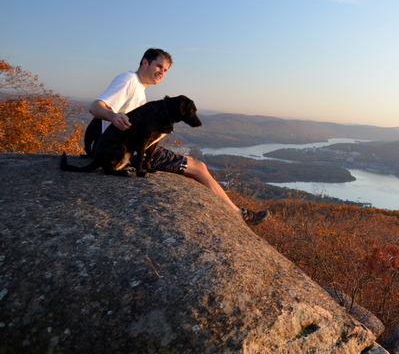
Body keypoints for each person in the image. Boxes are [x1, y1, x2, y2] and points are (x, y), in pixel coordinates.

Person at [87, 48, 269, 225]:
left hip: (130, 145)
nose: (161, 72)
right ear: (145, 62)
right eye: (158, 66)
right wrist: (113, 117)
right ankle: (238, 213)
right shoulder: (128, 80)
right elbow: (95, 107)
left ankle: (217, 206)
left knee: (188, 160)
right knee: (199, 167)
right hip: (126, 150)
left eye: (165, 70)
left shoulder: (139, 87)